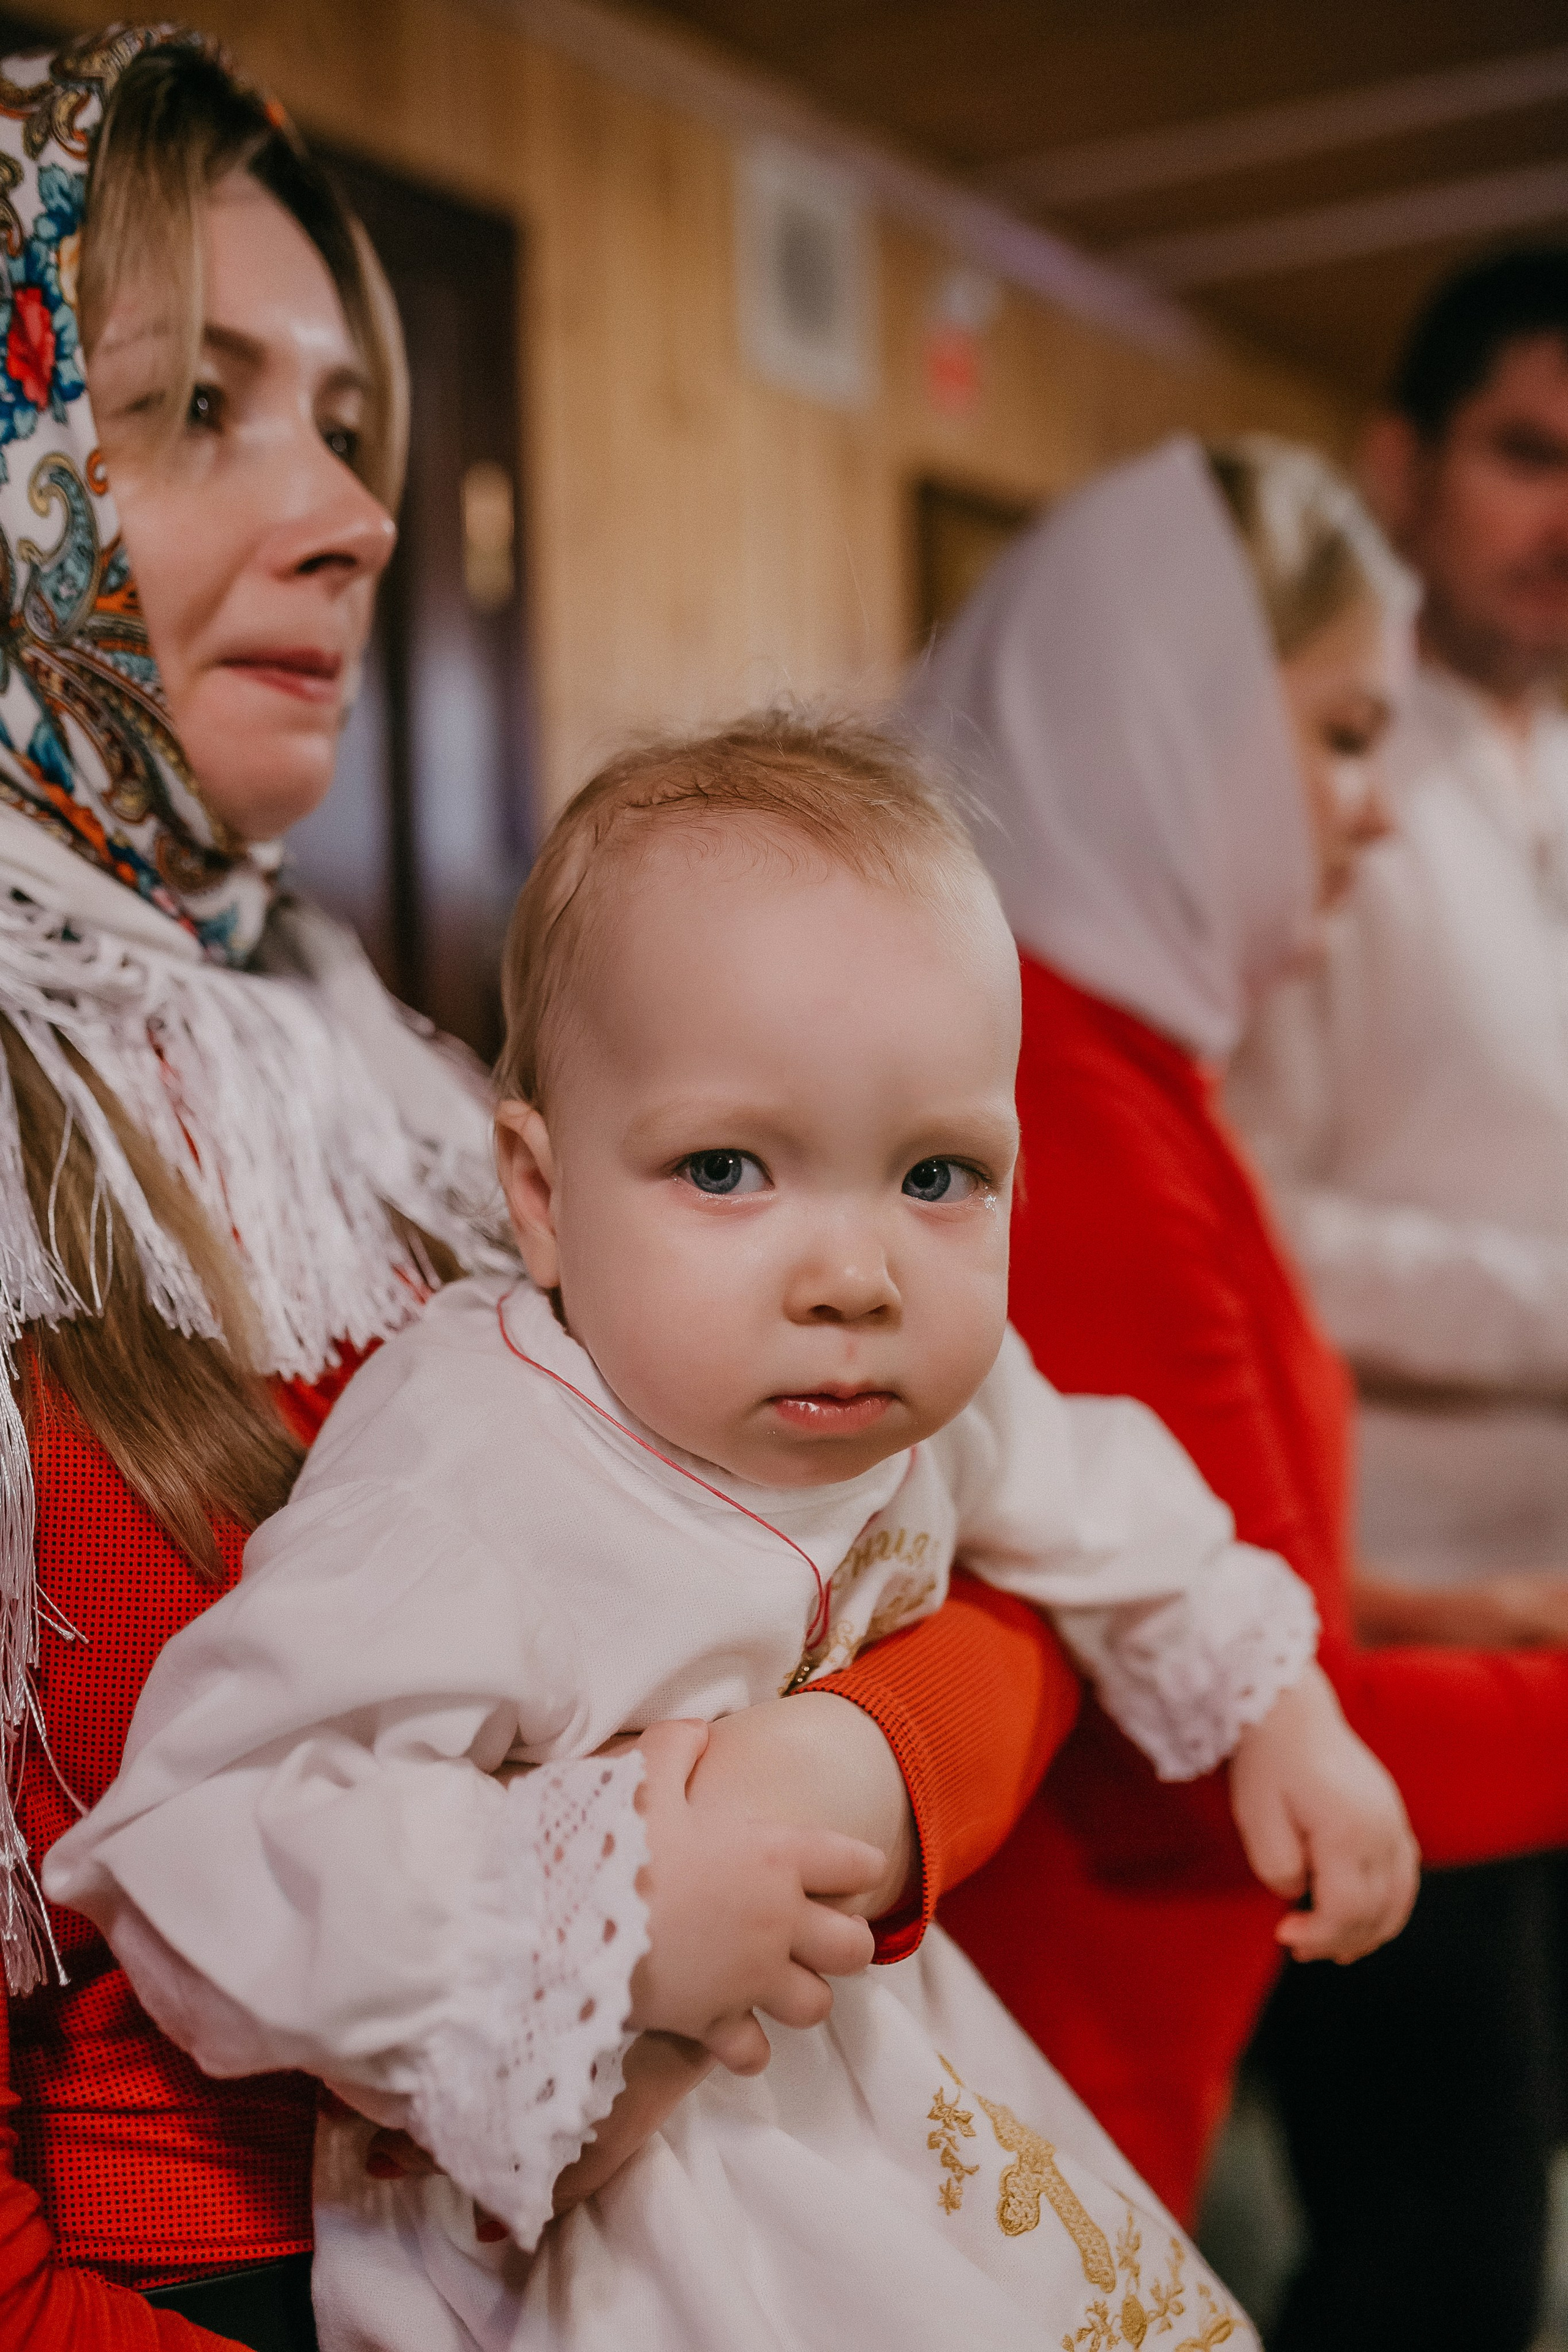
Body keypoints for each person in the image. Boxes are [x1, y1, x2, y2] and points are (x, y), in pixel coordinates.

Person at [0, 29, 1088, 2350]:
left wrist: (842, 1782)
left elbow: (966, 1574)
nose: (361, 514)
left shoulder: (400, 1072)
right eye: (200, 407)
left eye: (353, 422)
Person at [48, 714, 1416, 2352]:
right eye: (725, 1168)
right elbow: (214, 1827)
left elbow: (1096, 1490)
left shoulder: (906, 1395)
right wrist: (603, 1907)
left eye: (937, 1176)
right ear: (542, 1198)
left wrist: (1283, 1713)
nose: (855, 1273)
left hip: (849, 2081)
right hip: (580, 2192)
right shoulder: (477, 1472)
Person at [905, 431, 1568, 2352]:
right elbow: (1251, 1746)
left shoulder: (1142, 1066)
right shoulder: (1075, 1118)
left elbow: (1195, 1557)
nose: (1376, 810)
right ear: (1173, 727)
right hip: (1052, 2049)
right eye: (1344, 735)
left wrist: (1476, 1614)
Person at [1226, 249, 1568, 2343]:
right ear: (1400, 467)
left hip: (1562, 1643)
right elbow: (1242, 1216)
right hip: (1382, 1656)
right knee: (1436, 2265)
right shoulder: (1320, 781)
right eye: (1532, 453)